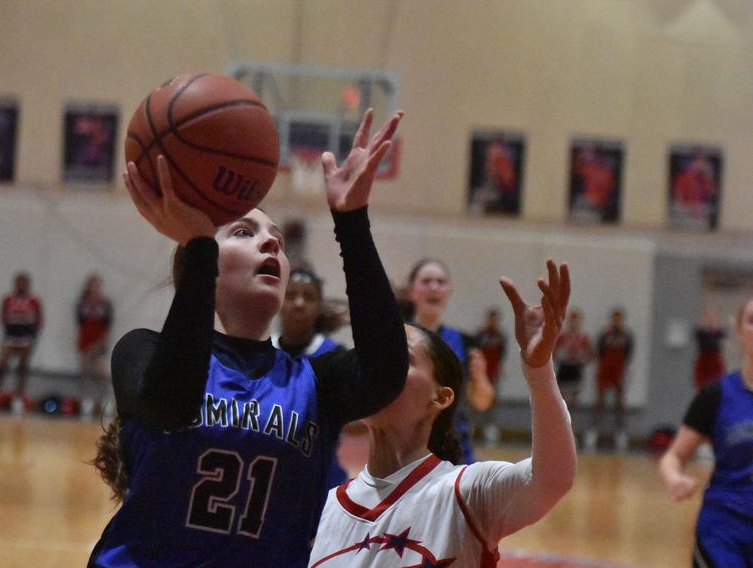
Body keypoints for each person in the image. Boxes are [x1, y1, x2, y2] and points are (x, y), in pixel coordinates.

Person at [90, 109, 407, 567]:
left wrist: (352, 221)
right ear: (201, 264)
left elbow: (386, 373)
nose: (271, 243)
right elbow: (171, 402)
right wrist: (199, 246)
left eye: (276, 237)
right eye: (244, 231)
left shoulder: (315, 381)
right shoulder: (142, 350)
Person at [309, 260, 576, 567]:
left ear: (442, 396)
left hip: (453, 457)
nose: (381, 368)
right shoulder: (328, 506)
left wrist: (538, 368)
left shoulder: (468, 491)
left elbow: (553, 478)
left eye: (400, 359)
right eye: (375, 357)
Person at [658, 297, 753, 567]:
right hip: (724, 526)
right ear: (738, 330)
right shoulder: (717, 394)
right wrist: (673, 478)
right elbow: (673, 457)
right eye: (752, 321)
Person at [406, 258, 494, 463]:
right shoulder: (396, 339)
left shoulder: (466, 342)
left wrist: (480, 378)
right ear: (412, 291)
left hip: (455, 453)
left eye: (440, 281)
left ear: (448, 292)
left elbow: (482, 402)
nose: (434, 287)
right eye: (426, 281)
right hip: (404, 453)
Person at [272, 266, 349, 489]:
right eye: (291, 295)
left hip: (320, 476)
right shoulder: (263, 350)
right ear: (279, 302)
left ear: (318, 307)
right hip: (271, 469)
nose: (299, 302)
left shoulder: (335, 355)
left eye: (308, 296)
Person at [0, 272, 43, 415]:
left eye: (24, 283)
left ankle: (18, 397)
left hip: (26, 337)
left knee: (22, 367)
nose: (21, 286)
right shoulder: (8, 299)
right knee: (1, 364)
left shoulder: (33, 300)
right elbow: (3, 316)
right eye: (19, 283)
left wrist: (32, 338)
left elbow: (39, 320)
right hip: (10, 335)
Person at [586, 308, 633, 452]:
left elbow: (629, 354)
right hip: (605, 370)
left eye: (619, 318)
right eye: (614, 318)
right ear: (611, 319)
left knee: (619, 402)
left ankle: (620, 434)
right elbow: (599, 352)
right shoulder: (605, 334)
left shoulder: (627, 336)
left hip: (619, 371)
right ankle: (593, 432)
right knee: (600, 401)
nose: (616, 321)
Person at [76, 274, 113, 418]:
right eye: (92, 286)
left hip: (100, 342)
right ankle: (87, 401)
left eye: (97, 286)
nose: (95, 289)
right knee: (85, 372)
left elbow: (107, 325)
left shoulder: (105, 304)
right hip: (86, 341)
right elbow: (80, 323)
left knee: (101, 372)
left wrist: (99, 344)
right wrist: (86, 345)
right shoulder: (82, 303)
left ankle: (107, 401)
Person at [553, 309, 594, 412]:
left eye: (576, 321)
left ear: (580, 322)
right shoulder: (563, 336)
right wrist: (559, 358)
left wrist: (583, 361)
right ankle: (561, 422)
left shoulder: (583, 337)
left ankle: (571, 424)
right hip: (565, 366)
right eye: (571, 320)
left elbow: (592, 354)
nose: (573, 323)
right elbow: (553, 352)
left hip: (576, 367)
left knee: (574, 399)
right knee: (560, 397)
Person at [475, 308, 506, 444]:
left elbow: (502, 355)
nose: (493, 321)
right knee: (475, 401)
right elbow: (476, 350)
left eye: (496, 319)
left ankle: (490, 429)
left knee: (492, 402)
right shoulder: (481, 334)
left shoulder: (501, 336)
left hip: (493, 374)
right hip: (481, 374)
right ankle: (472, 427)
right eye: (491, 318)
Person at [693, 306, 725, 391]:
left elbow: (719, 340)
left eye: (713, 317)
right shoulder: (700, 333)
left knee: (717, 383)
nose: (710, 320)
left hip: (715, 361)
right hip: (704, 360)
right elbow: (701, 338)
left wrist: (714, 328)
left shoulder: (720, 333)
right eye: (708, 317)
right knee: (702, 385)